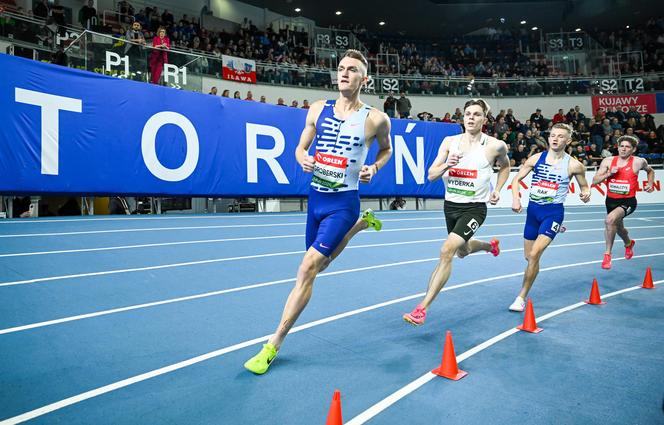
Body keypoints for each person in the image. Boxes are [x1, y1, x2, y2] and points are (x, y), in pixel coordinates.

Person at [244, 49, 393, 374]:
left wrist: (375, 168)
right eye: (341, 68)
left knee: (308, 268)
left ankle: (273, 345)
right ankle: (358, 227)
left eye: (352, 70)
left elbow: (386, 149)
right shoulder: (317, 110)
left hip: (343, 203)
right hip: (317, 200)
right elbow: (300, 147)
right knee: (320, 265)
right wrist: (301, 157)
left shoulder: (375, 119)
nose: (344, 74)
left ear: (363, 79)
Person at [402, 98, 510, 326]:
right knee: (462, 250)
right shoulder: (449, 142)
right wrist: (447, 165)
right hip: (450, 206)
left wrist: (498, 189)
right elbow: (431, 175)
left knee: (446, 250)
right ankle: (490, 246)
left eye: (476, 114)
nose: (471, 117)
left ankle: (422, 308)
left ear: (484, 118)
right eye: (468, 113)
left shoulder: (495, 146)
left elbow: (506, 166)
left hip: (475, 208)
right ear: (463, 117)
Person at [508, 123, 591, 311]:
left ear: (568, 140)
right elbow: (516, 179)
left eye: (560, 136)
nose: (555, 139)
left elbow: (584, 186)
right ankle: (552, 230)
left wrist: (586, 193)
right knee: (529, 257)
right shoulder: (536, 159)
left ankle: (521, 297)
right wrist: (515, 199)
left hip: (553, 212)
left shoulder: (574, 165)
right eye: (553, 135)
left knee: (535, 253)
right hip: (533, 213)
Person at [592, 135, 655, 269]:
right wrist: (609, 174)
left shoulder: (638, 161)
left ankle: (607, 255)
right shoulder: (608, 161)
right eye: (621, 146)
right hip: (610, 201)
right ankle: (628, 243)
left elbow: (650, 171)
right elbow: (595, 181)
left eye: (627, 147)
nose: (624, 149)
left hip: (628, 202)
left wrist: (650, 184)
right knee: (618, 227)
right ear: (618, 147)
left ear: (633, 150)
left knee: (609, 220)